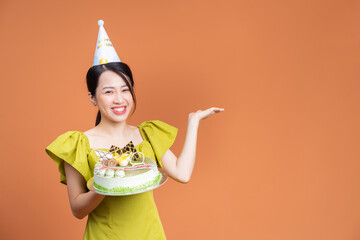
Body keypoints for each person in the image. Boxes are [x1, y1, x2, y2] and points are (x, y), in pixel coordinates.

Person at [46, 20, 224, 240]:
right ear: (92, 97)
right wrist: (105, 186)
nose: (119, 99)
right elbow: (77, 210)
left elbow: (182, 173)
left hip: (150, 234)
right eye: (109, 91)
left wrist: (194, 121)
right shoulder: (77, 144)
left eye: (125, 89)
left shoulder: (146, 134)